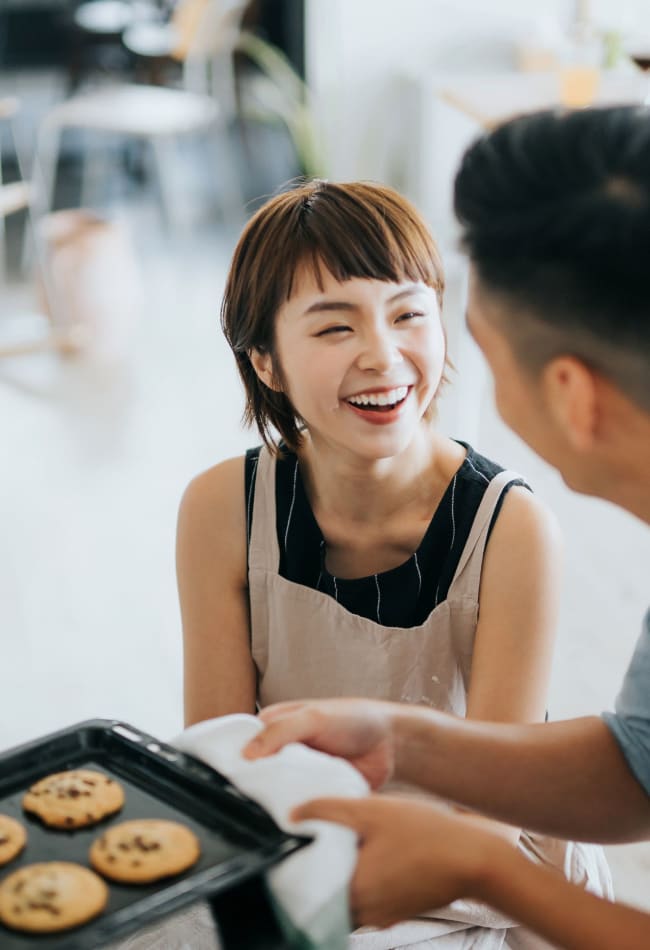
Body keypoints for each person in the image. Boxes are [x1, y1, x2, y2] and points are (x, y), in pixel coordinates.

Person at [243, 105, 650, 950]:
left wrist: (483, 865)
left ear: (573, 394)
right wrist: (400, 737)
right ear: (265, 361)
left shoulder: (511, 522)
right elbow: (639, 769)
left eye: (463, 331)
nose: (389, 358)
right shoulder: (230, 505)